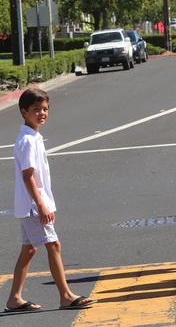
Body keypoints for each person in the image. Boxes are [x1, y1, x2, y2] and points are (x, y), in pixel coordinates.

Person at [5, 88, 96, 312]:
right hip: (33, 205)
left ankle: (14, 298)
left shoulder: (33, 136)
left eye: (45, 109)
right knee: (53, 245)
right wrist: (41, 204)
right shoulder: (27, 140)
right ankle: (65, 295)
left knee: (29, 249)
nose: (41, 113)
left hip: (32, 203)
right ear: (24, 112)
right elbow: (28, 176)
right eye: (36, 110)